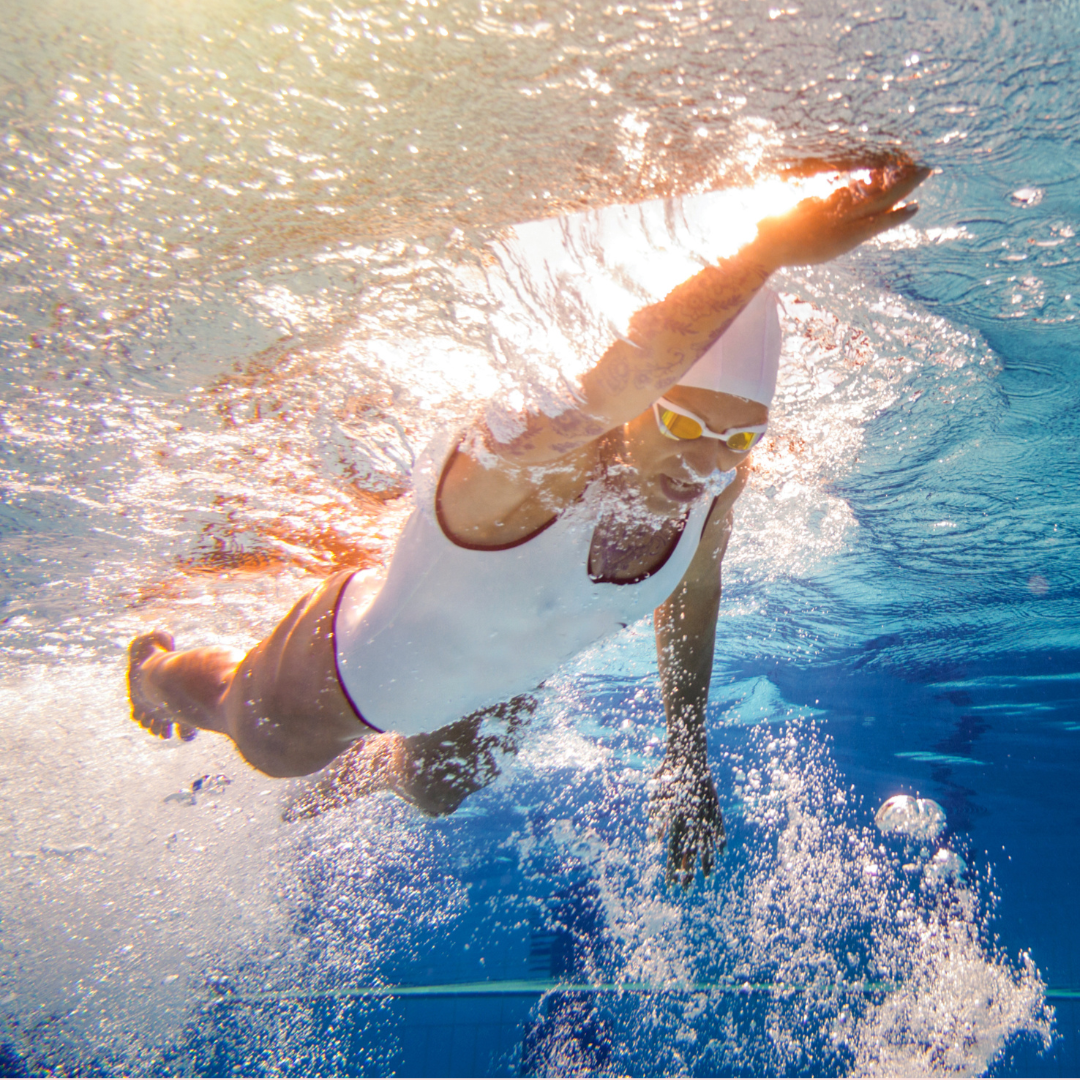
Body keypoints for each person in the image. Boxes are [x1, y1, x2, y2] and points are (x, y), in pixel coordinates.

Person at [128, 161, 929, 886]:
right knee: (266, 737)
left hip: (483, 676)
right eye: (684, 426)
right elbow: (615, 380)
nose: (706, 463)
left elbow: (694, 590)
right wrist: (767, 254)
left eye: (739, 437)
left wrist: (687, 755)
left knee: (442, 789)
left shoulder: (716, 477)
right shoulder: (526, 470)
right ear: (634, 412)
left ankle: (360, 772)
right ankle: (154, 672)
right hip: (347, 674)